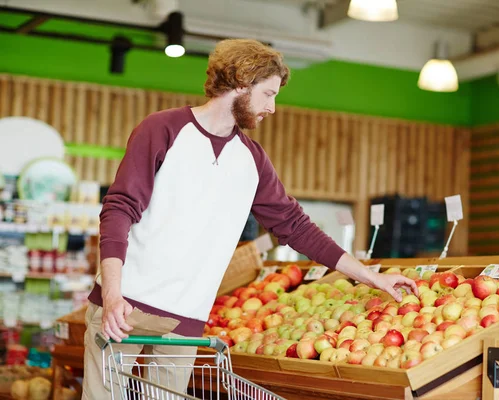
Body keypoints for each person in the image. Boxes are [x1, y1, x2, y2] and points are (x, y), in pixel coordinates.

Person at [82, 38, 418, 398]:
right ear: (241, 82)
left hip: (184, 322)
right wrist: (114, 294)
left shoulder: (252, 160)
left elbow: (296, 227)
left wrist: (371, 277)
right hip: (124, 306)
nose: (272, 108)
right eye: (268, 94)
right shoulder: (163, 129)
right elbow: (119, 208)